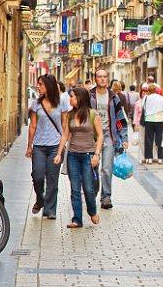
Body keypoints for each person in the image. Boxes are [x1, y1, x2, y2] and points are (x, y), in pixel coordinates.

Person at [55, 87, 103, 228]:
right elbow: (65, 135)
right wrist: (59, 153)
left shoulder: (93, 114)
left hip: (88, 155)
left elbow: (100, 135)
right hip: (73, 156)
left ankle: (92, 211)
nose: (70, 99)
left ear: (80, 98)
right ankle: (77, 219)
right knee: (75, 189)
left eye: (72, 96)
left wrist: (96, 154)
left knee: (88, 188)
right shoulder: (70, 115)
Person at [26, 74, 70, 219]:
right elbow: (32, 126)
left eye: (40, 84)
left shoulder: (61, 104)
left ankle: (50, 210)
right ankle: (40, 200)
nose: (37, 86)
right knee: (37, 176)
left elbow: (64, 127)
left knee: (52, 179)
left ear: (49, 86)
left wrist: (61, 149)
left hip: (55, 146)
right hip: (39, 146)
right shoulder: (36, 104)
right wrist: (29, 146)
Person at [89, 68, 129, 209]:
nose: (102, 79)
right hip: (92, 138)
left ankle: (106, 197)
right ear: (95, 79)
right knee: (92, 168)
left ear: (107, 78)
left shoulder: (113, 97)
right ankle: (93, 192)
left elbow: (119, 119)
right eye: (99, 76)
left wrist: (124, 137)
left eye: (105, 76)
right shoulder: (90, 96)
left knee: (106, 168)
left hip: (109, 137)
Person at [142, 84, 163, 164]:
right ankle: (160, 158)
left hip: (149, 120)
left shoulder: (146, 98)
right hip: (159, 120)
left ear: (149, 91)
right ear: (156, 90)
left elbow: (143, 108)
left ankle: (149, 158)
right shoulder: (161, 98)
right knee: (159, 139)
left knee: (148, 139)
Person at [133, 84, 149, 162]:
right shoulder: (138, 103)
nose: (144, 94)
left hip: (149, 124)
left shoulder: (150, 102)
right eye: (143, 92)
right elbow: (135, 114)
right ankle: (142, 157)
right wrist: (135, 124)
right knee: (142, 141)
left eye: (146, 92)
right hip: (141, 124)